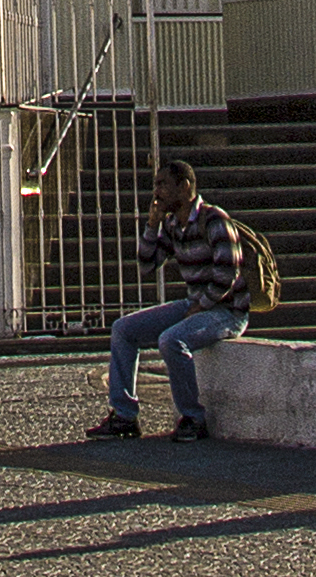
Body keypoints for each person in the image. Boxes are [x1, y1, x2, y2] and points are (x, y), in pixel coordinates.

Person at [84, 157, 250, 444]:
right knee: (124, 330)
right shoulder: (174, 224)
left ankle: (193, 419)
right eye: (155, 185)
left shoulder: (214, 220)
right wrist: (152, 225)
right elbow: (148, 264)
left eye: (163, 184)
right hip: (196, 304)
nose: (156, 191)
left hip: (227, 310)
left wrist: (203, 305)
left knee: (172, 340)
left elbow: (228, 272)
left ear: (184, 187)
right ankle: (124, 416)